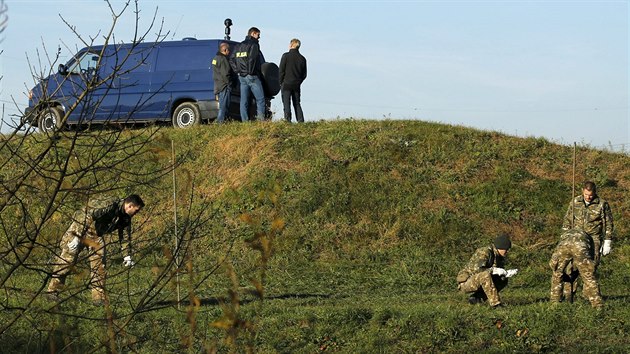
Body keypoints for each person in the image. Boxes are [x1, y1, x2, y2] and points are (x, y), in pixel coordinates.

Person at [46, 194, 145, 304]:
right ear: (130, 206)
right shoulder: (110, 204)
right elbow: (86, 215)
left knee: (99, 266)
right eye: (136, 210)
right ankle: (52, 292)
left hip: (96, 236)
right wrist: (76, 236)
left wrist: (127, 255)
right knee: (66, 262)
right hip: (80, 229)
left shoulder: (125, 217)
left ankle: (98, 299)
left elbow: (125, 237)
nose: (136, 214)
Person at [456, 234, 518, 308]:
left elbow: (495, 273)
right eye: (506, 249)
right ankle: (496, 304)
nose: (507, 251)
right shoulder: (484, 252)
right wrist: (494, 270)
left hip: (479, 280)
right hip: (467, 282)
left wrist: (505, 273)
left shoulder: (498, 256)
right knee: (485, 275)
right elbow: (478, 269)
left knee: (502, 280)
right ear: (501, 247)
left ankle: (476, 298)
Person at [562, 181, 614, 267]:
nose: (588, 197)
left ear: (595, 192)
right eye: (586, 194)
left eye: (590, 195)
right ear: (582, 191)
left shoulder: (602, 204)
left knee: (591, 267)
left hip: (593, 239)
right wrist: (565, 235)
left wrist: (607, 241)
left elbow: (608, 223)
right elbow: (568, 219)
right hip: (577, 236)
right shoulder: (575, 201)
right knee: (571, 266)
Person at [549, 229, 602, 308]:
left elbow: (554, 262)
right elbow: (591, 257)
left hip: (564, 246)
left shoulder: (565, 235)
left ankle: (555, 302)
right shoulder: (589, 237)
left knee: (557, 273)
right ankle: (597, 305)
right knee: (588, 276)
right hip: (580, 246)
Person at [232, 27, 266, 122]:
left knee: (244, 101)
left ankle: (245, 121)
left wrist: (238, 70)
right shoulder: (254, 45)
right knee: (260, 99)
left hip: (242, 77)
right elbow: (252, 59)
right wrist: (250, 71)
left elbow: (231, 59)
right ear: (253, 33)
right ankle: (261, 121)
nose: (259, 37)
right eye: (258, 35)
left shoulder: (239, 46)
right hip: (252, 76)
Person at [279, 38, 307, 123]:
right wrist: (299, 81)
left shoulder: (286, 56)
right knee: (297, 103)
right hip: (296, 85)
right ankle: (300, 120)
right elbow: (304, 74)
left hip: (286, 83)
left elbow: (281, 70)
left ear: (291, 45)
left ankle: (287, 121)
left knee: (286, 103)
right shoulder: (302, 58)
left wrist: (281, 82)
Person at [212, 42, 234, 124]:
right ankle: (220, 122)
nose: (229, 52)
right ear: (225, 50)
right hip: (224, 86)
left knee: (221, 105)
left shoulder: (215, 58)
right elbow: (226, 73)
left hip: (218, 85)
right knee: (224, 106)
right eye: (229, 50)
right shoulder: (223, 59)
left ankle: (221, 122)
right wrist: (229, 83)